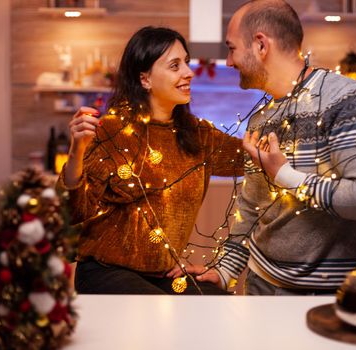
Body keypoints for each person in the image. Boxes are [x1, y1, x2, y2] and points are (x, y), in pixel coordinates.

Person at [174, 0, 356, 295]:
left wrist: (286, 176)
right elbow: (251, 208)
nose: (228, 62)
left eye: (231, 48)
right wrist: (224, 271)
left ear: (261, 45)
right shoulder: (260, 121)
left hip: (336, 299)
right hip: (262, 289)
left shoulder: (346, 98)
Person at [56, 26, 243, 294]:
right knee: (162, 316)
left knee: (221, 306)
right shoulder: (114, 132)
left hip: (165, 274)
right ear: (145, 79)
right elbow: (70, 212)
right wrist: (77, 152)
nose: (188, 73)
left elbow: (253, 157)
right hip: (106, 272)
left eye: (186, 63)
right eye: (174, 65)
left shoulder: (199, 135)